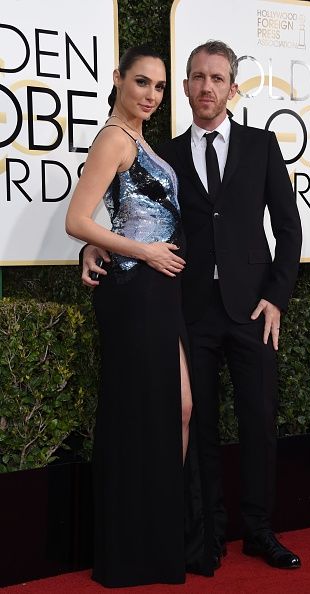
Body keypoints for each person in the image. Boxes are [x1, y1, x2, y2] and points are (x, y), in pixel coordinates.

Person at [81, 40, 303, 571]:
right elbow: (133, 210)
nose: (206, 87)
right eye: (197, 77)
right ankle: (210, 535)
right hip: (190, 310)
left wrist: (276, 297)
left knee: (258, 421)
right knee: (196, 425)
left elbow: (289, 229)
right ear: (186, 86)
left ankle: (261, 532)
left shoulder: (262, 144)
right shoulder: (168, 154)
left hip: (252, 309)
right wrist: (94, 243)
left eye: (217, 78)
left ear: (232, 88)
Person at [66, 45, 214, 588]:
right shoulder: (112, 138)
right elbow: (77, 219)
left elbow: (116, 212)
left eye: (157, 86)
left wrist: (127, 249)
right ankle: (134, 549)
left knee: (180, 407)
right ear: (118, 80)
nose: (151, 95)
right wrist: (142, 250)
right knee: (142, 417)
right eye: (141, 83)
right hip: (136, 290)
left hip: (158, 290)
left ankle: (159, 536)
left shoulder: (136, 139)